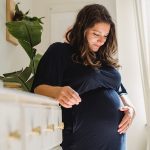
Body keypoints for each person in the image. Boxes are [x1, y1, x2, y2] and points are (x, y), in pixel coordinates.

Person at [31, 4, 135, 150]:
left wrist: (130, 108)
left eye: (105, 36)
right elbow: (38, 88)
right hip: (82, 139)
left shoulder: (104, 60)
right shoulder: (60, 52)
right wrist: (57, 92)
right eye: (96, 34)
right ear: (82, 29)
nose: (101, 41)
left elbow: (119, 88)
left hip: (116, 139)